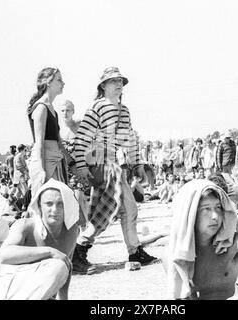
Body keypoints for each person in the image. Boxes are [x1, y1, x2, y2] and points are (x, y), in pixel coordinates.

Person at [73, 67, 157, 274]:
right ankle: (81, 248)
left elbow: (130, 139)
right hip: (104, 164)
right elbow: (83, 137)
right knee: (124, 209)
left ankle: (132, 251)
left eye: (120, 81)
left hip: (117, 166)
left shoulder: (124, 110)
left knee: (117, 210)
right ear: (103, 86)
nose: (118, 84)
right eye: (113, 81)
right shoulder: (97, 107)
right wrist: (82, 165)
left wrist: (137, 164)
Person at [165, 179, 238, 300]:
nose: (215, 216)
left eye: (218, 208)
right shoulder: (174, 256)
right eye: (206, 209)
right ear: (190, 214)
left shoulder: (231, 242)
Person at [0, 179, 79, 300]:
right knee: (57, 266)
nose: (55, 210)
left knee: (60, 266)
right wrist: (49, 251)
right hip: (10, 287)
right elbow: (4, 255)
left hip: (40, 293)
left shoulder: (72, 231)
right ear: (39, 206)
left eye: (61, 204)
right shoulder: (25, 225)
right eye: (49, 204)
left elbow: (66, 266)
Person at [26, 67, 69, 197]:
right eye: (59, 80)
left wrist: (73, 164)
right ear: (48, 82)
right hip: (46, 163)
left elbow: (59, 142)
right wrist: (41, 170)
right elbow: (39, 143)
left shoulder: (53, 110)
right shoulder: (41, 108)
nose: (63, 83)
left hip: (56, 161)